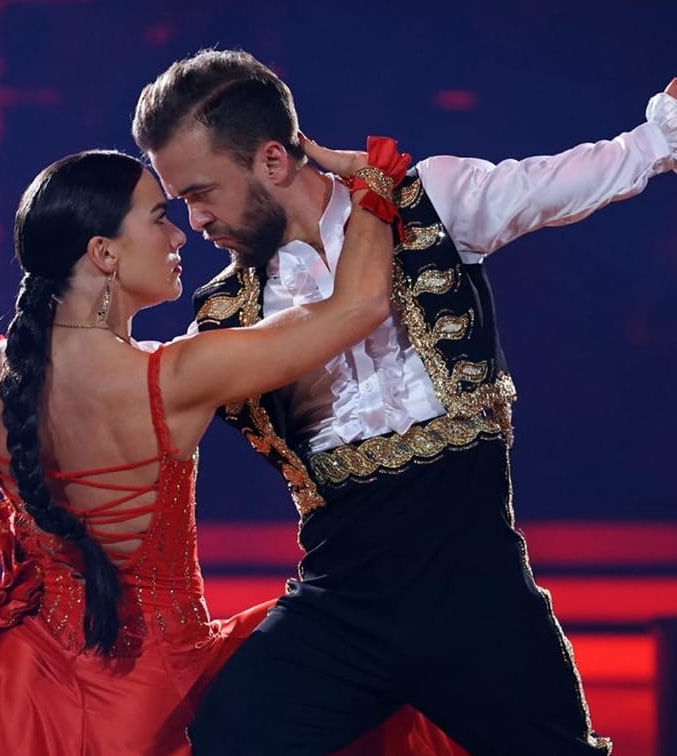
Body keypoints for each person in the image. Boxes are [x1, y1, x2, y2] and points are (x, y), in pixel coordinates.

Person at [130, 48, 677, 755]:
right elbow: (136, 398)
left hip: (480, 595)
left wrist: (663, 134)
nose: (195, 219)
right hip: (342, 608)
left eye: (202, 192)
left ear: (272, 161)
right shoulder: (223, 317)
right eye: (181, 202)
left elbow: (561, 179)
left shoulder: (431, 204)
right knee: (229, 736)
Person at [0, 147, 462, 755]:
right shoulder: (175, 377)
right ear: (104, 253)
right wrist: (374, 187)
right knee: (378, 650)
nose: (179, 234)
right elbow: (359, 305)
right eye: (157, 217)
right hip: (161, 699)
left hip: (21, 693)